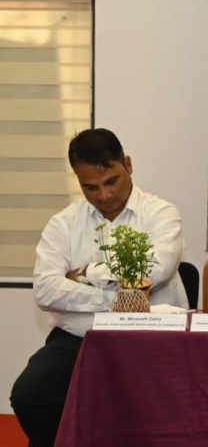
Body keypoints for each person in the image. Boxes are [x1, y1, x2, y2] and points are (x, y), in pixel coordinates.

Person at [10, 129, 188, 447]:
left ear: (128, 165)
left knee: (160, 410)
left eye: (111, 181)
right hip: (81, 339)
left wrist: (85, 272)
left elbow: (155, 269)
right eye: (90, 187)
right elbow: (46, 290)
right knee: (30, 395)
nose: (103, 195)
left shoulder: (161, 214)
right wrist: (114, 299)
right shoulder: (63, 224)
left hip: (154, 339)